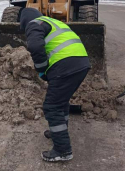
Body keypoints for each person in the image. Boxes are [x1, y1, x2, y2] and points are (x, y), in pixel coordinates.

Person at [19, 8, 90, 162]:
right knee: (61, 101)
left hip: (66, 65)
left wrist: (42, 69)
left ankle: (63, 150)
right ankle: (58, 131)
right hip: (82, 63)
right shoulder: (54, 22)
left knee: (52, 106)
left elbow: (35, 47)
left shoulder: (33, 23)